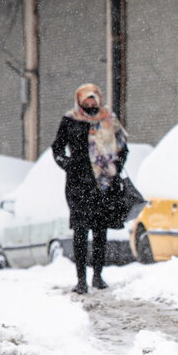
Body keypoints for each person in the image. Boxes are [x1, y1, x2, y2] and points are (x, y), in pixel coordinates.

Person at [52, 83, 129, 295]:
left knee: (100, 230)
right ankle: (80, 279)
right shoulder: (70, 120)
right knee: (80, 230)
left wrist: (115, 166)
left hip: (103, 184)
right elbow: (57, 147)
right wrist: (68, 164)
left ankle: (97, 275)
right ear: (79, 100)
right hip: (78, 184)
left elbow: (122, 146)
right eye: (87, 98)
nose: (90, 102)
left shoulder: (109, 119)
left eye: (94, 97)